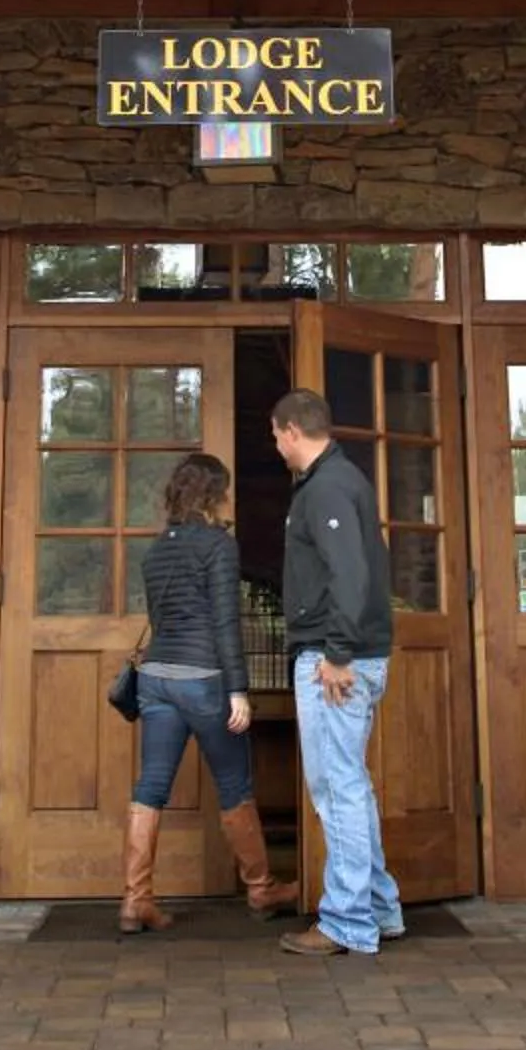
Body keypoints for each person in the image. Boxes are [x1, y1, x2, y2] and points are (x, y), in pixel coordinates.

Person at [119, 451, 295, 934]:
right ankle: (260, 889)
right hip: (203, 681)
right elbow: (224, 622)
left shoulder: (157, 550)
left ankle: (135, 900)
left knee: (151, 786)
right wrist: (238, 689)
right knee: (235, 783)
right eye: (226, 491)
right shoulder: (218, 545)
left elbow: (164, 620)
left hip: (156, 679)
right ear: (214, 494)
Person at [269, 387, 402, 957]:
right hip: (349, 652)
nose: (276, 447)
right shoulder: (342, 481)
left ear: (292, 431)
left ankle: (347, 921)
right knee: (352, 784)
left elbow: (349, 572)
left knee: (337, 788)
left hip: (334, 659)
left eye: (276, 436)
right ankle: (379, 908)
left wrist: (338, 652)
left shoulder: (326, 487)